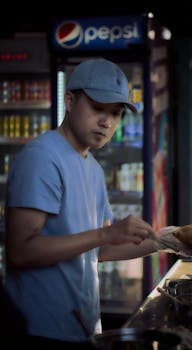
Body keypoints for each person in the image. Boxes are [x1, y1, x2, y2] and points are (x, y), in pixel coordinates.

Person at [4, 58, 164, 349]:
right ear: (69, 100)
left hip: (80, 326)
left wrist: (168, 240)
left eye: (115, 113)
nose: (107, 122)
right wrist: (106, 233)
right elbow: (20, 251)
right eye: (97, 108)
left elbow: (99, 250)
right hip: (39, 330)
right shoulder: (42, 158)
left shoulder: (92, 167)